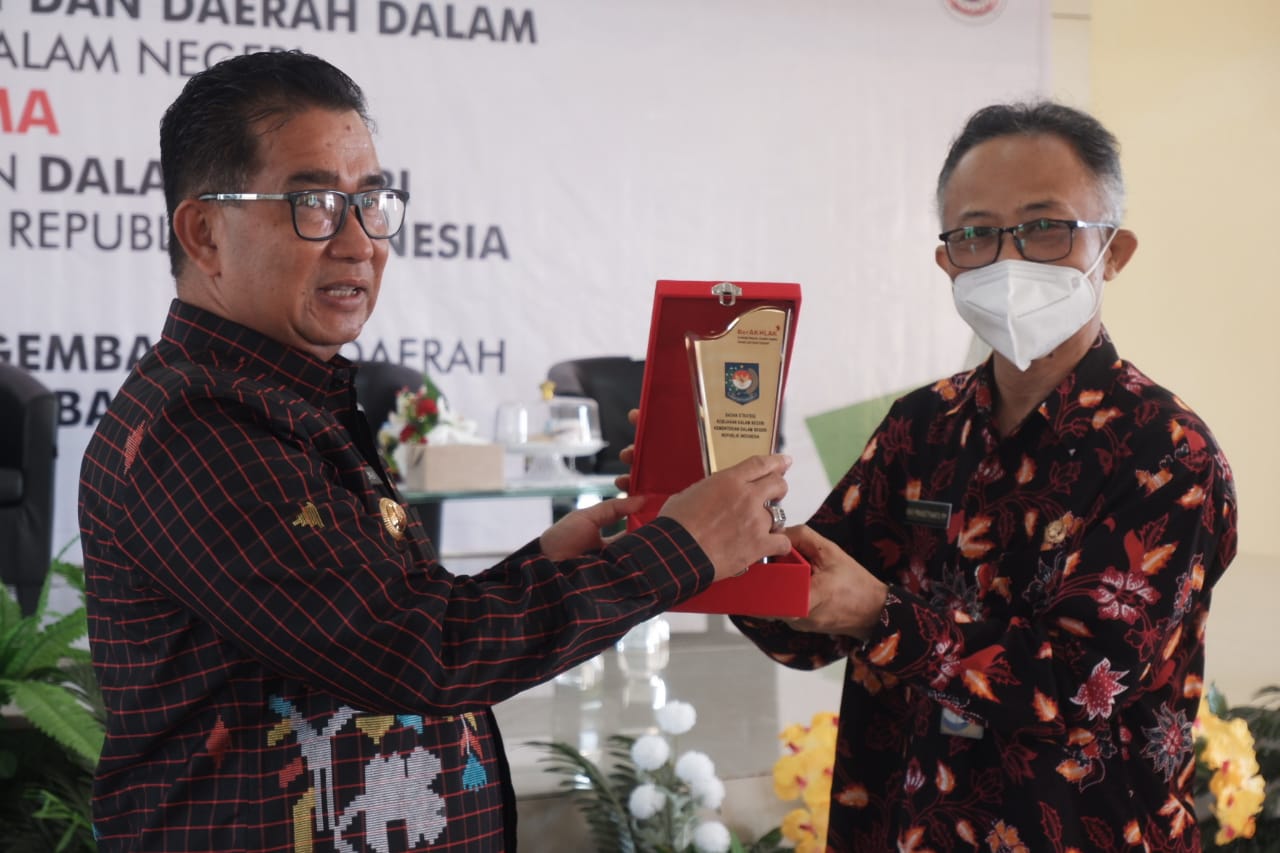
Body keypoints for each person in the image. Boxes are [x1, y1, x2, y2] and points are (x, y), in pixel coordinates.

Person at [78, 50, 792, 852]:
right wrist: (678, 549)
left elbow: (387, 620)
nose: (359, 243)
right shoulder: (199, 427)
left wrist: (541, 567)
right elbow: (415, 655)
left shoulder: (286, 400)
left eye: (371, 201)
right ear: (205, 232)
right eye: (315, 203)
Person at [734, 101, 1238, 851]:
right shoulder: (922, 426)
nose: (1008, 261)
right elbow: (802, 629)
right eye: (976, 234)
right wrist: (714, 521)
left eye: (1045, 227)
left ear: (1115, 250)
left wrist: (879, 616)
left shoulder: (1166, 451)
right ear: (947, 261)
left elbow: (1078, 688)